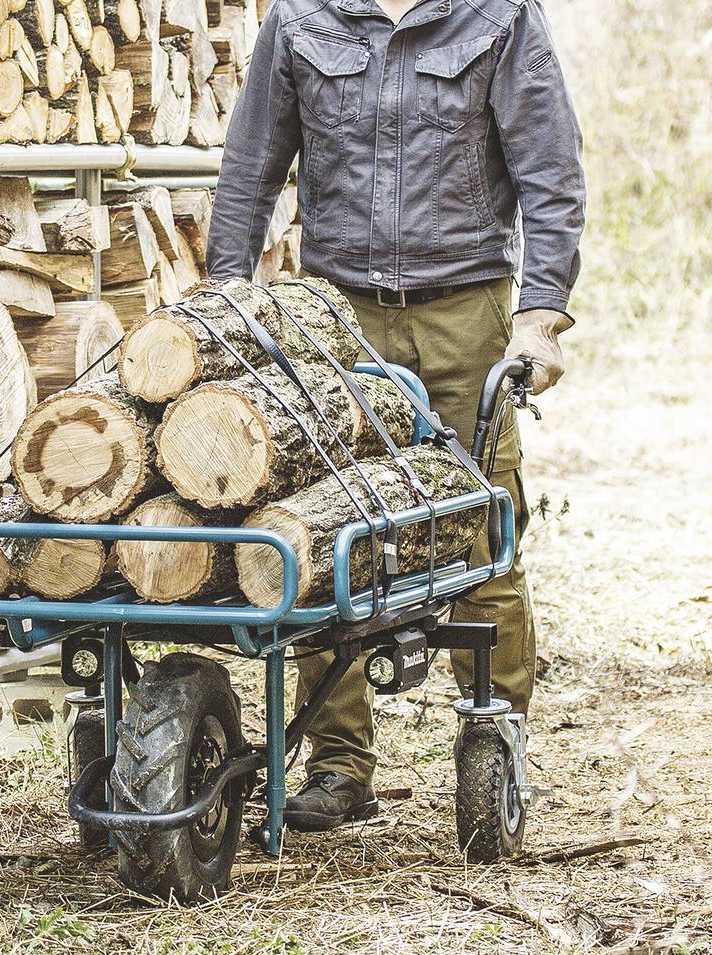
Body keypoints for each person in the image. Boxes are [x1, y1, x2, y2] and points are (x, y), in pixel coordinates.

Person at [206, 0, 585, 831]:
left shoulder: (500, 16)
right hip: (334, 314)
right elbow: (249, 173)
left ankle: (497, 731)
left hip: (467, 310)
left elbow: (549, 174)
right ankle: (339, 766)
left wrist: (540, 316)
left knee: (483, 520)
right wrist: (224, 303)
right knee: (317, 530)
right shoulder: (301, 19)